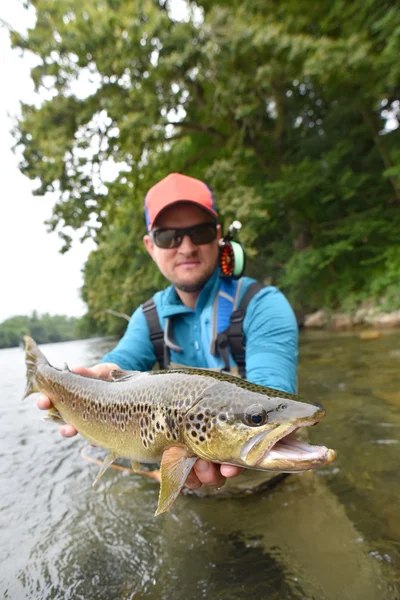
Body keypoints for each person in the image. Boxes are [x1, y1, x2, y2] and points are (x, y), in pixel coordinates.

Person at [37, 172, 298, 492]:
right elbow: (120, 362)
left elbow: (272, 398)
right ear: (150, 246)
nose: (186, 247)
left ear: (218, 236)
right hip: (189, 481)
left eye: (199, 232)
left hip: (273, 477)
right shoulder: (148, 318)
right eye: (168, 237)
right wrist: (92, 390)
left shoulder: (263, 305)